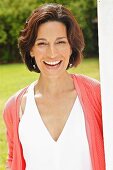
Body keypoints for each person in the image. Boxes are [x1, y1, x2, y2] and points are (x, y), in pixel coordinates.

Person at [3, 3, 105, 170]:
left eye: (60, 42)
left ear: (71, 46)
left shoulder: (98, 95)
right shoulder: (15, 107)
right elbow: (13, 160)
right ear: (31, 50)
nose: (52, 53)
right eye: (42, 43)